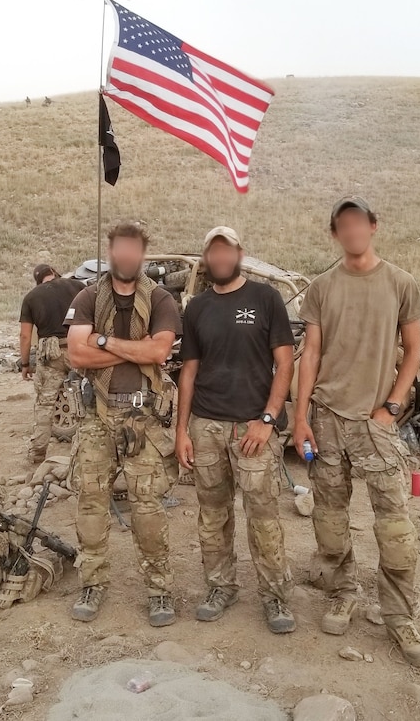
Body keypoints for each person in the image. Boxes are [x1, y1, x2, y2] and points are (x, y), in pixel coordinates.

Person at [293, 196, 420, 668]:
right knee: (330, 520)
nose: (352, 230)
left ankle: (400, 616)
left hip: (376, 423)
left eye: (359, 222)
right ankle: (343, 592)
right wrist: (300, 417)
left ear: (373, 226)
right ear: (335, 234)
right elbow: (309, 354)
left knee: (394, 525)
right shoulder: (321, 287)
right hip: (327, 418)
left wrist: (391, 407)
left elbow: (412, 350)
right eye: (342, 225)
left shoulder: (400, 283)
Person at [175, 227, 296, 634]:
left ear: (239, 254)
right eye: (214, 251)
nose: (221, 258)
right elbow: (188, 372)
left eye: (228, 250)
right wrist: (182, 431)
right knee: (212, 514)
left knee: (263, 516)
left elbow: (285, 363)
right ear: (207, 259)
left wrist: (267, 419)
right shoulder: (197, 308)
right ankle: (219, 587)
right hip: (206, 424)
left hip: (252, 427)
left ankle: (275, 597)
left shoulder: (266, 299)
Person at [65, 222, 181, 625]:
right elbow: (76, 356)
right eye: (120, 248)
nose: (127, 256)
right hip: (95, 415)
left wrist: (102, 341)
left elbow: (161, 350)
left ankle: (160, 590)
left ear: (142, 254)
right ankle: (93, 583)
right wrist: (136, 352)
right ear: (111, 251)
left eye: (134, 249)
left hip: (141, 417)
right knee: (91, 503)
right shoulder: (88, 297)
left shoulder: (161, 298)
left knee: (147, 506)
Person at [19, 264, 84, 465]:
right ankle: (88, 451)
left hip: (50, 354)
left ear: (38, 281)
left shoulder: (31, 297)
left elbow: (25, 335)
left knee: (45, 404)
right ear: (54, 273)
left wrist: (24, 364)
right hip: (79, 350)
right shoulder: (77, 286)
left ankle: (38, 454)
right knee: (90, 399)